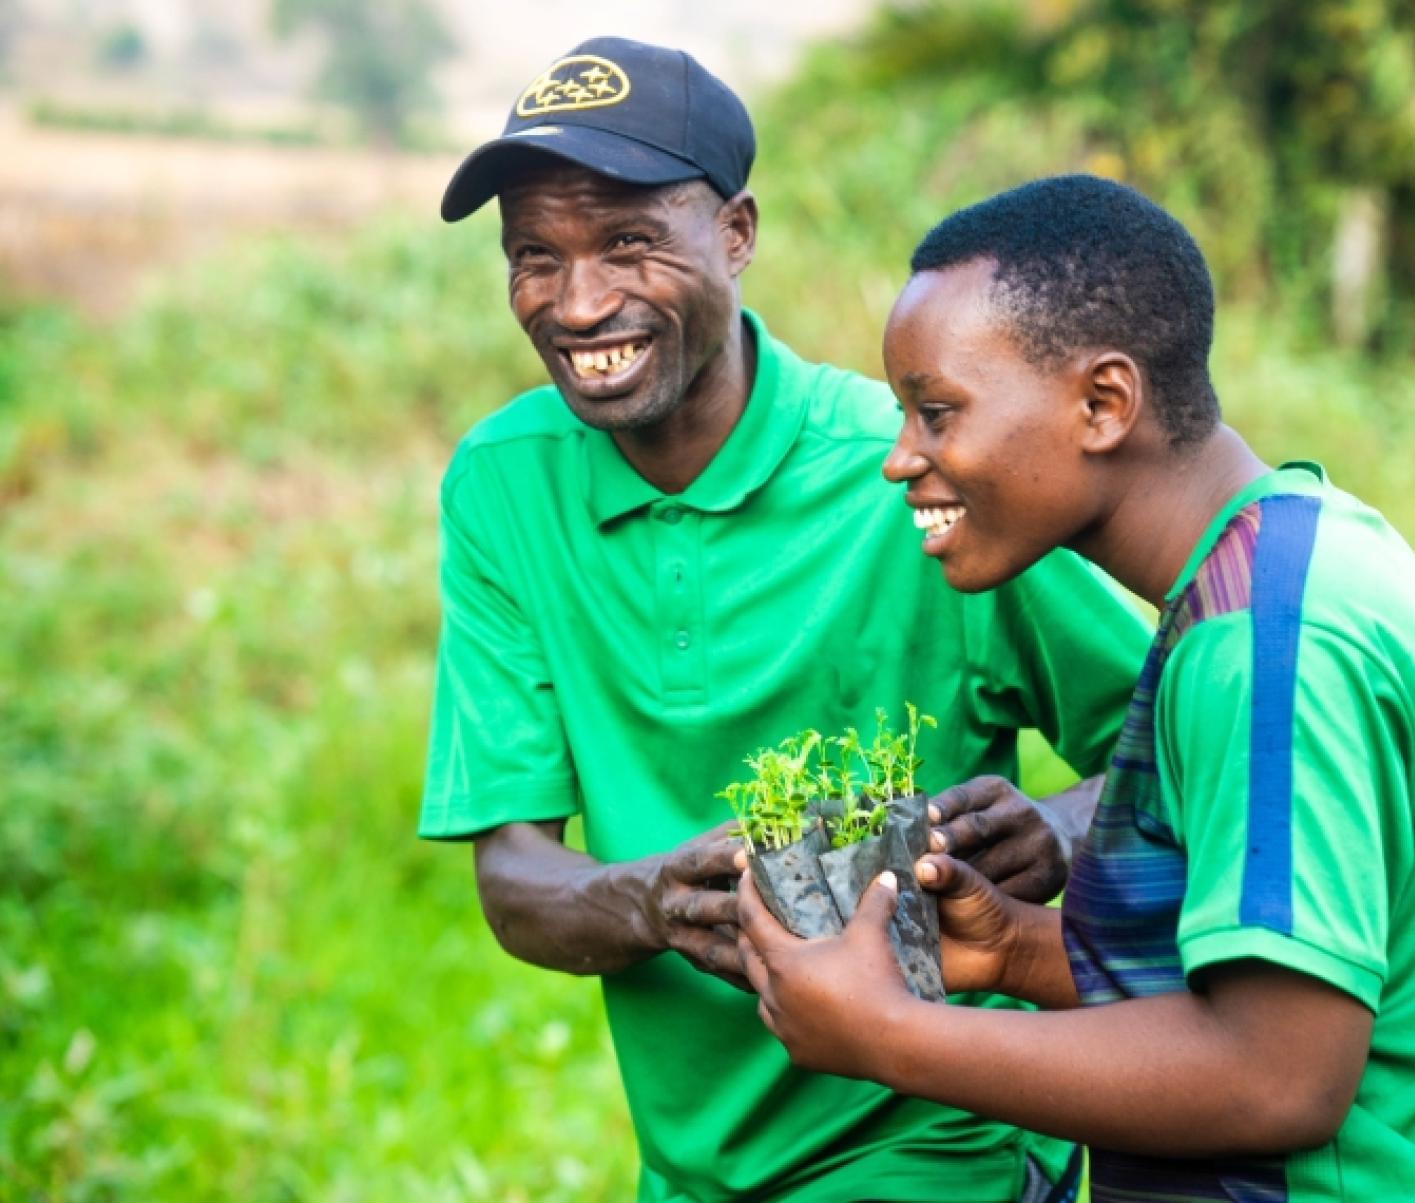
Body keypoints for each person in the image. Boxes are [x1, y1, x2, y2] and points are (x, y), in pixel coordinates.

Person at [737, 174, 1415, 1201]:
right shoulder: (1283, 554)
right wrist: (1018, 954)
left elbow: (1275, 1077)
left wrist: (888, 1036)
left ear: (1102, 404)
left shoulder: (1266, 647)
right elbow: (1287, 965)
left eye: (936, 412)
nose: (900, 460)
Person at [418, 39, 1153, 1203]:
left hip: (941, 1149)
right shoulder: (503, 487)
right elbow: (514, 877)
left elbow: (1190, 737)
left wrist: (1060, 829)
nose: (579, 302)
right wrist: (655, 898)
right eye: (533, 256)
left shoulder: (904, 468)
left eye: (627, 242)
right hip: (691, 1170)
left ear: (737, 235)